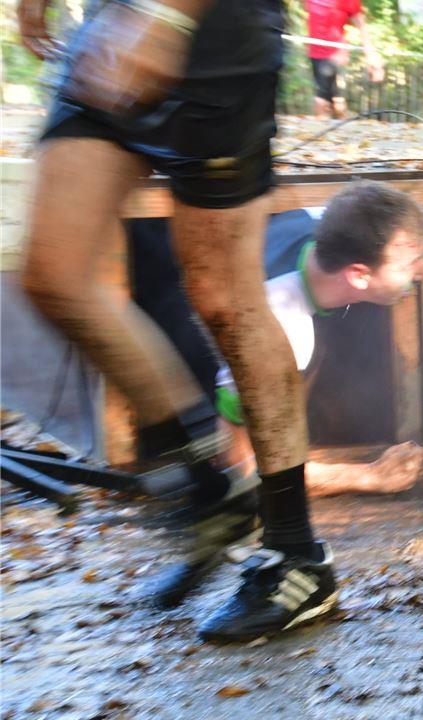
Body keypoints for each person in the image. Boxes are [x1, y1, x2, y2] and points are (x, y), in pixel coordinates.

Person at [17, 0, 337, 642]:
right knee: (53, 275)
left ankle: (298, 556)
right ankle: (208, 492)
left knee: (225, 298)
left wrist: (167, 15)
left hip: (215, 35)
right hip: (110, 25)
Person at [128, 180, 423, 502]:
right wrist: (368, 476)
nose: (420, 271)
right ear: (358, 275)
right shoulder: (277, 326)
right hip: (173, 377)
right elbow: (242, 468)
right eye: (407, 266)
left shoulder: (324, 221)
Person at [304, 0, 383, 119]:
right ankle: (339, 122)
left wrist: (370, 55)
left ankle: (331, 124)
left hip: (334, 53)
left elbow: (361, 24)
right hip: (314, 52)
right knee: (334, 99)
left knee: (322, 100)